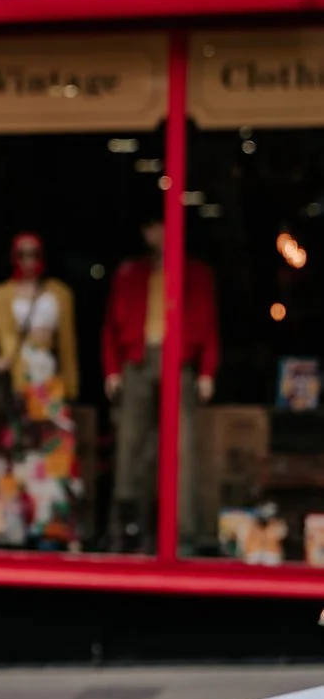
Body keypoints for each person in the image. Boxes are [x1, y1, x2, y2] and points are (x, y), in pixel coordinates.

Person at [102, 208, 219, 553]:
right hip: (137, 360)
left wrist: (207, 370)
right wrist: (112, 369)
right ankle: (126, 530)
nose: (158, 234)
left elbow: (209, 323)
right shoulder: (130, 273)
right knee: (130, 447)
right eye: (152, 226)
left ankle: (183, 534)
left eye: (163, 226)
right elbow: (110, 326)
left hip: (177, 360)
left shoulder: (196, 273)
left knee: (181, 448)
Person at [0, 233, 82, 550]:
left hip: (49, 384)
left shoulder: (59, 294)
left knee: (55, 455)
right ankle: (14, 527)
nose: (29, 261)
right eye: (23, 254)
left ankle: (52, 528)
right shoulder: (1, 295)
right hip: (19, 383)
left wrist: (70, 385)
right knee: (17, 456)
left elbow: (67, 342)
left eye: (34, 254)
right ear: (15, 257)